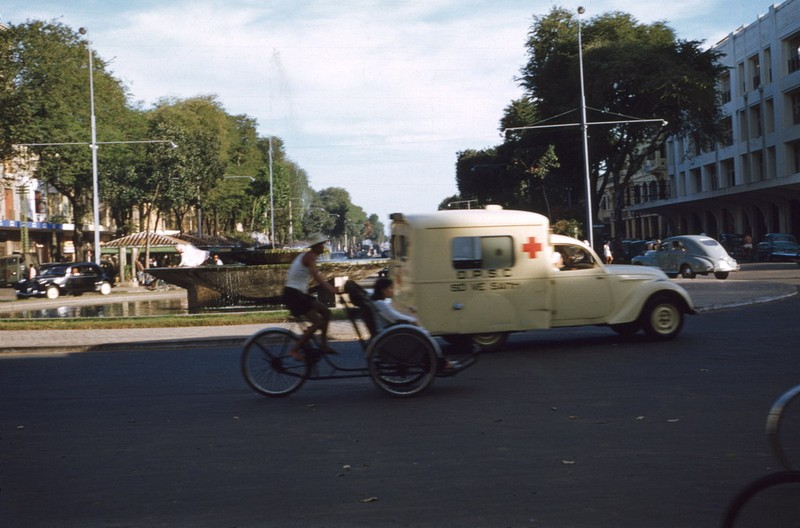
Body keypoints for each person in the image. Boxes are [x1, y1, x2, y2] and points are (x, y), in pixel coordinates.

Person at [283, 233, 337, 359]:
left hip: (297, 294)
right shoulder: (310, 256)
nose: (324, 247)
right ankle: (294, 350)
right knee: (317, 321)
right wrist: (331, 289)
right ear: (316, 246)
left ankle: (323, 345)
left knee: (326, 312)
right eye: (322, 245)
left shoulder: (308, 255)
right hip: (294, 294)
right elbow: (316, 276)